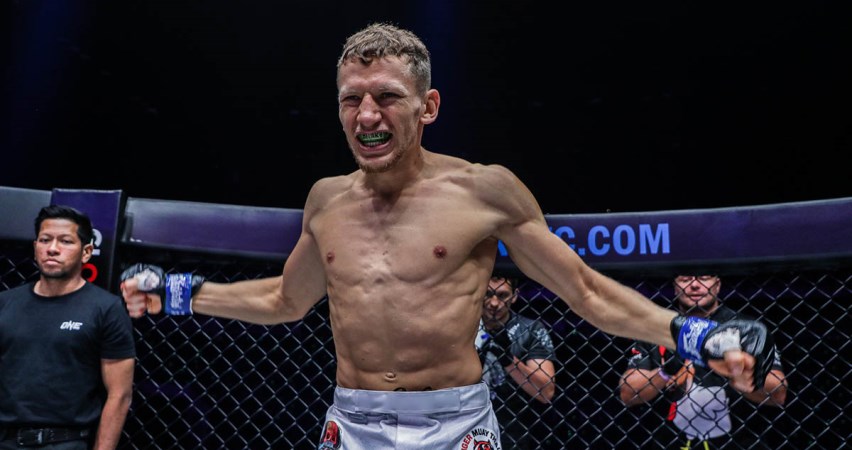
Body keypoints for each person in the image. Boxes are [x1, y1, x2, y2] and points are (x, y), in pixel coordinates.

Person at [119, 22, 776, 450]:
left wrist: (694, 335)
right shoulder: (326, 200)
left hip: (455, 423)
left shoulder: (484, 191)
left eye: (386, 96)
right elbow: (285, 301)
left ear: (427, 106)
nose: (366, 115)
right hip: (351, 420)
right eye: (351, 99)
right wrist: (180, 293)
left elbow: (585, 291)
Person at [0, 205, 136, 450]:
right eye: (45, 240)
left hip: (65, 442)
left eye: (65, 241)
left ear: (86, 252)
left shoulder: (106, 308)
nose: (52, 248)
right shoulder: (5, 303)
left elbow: (119, 395)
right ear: (35, 247)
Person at [619, 274, 787, 449]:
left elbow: (778, 393)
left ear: (717, 285)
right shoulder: (657, 329)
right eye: (685, 280)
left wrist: (736, 371)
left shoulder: (746, 328)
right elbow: (628, 393)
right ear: (675, 287)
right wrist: (665, 372)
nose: (694, 285)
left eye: (704, 278)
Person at [477, 275, 556, 449]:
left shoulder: (530, 329)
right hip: (466, 424)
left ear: (514, 296)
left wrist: (509, 361)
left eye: (503, 295)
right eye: (488, 294)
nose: (494, 303)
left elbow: (546, 392)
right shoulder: (460, 328)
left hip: (514, 431)